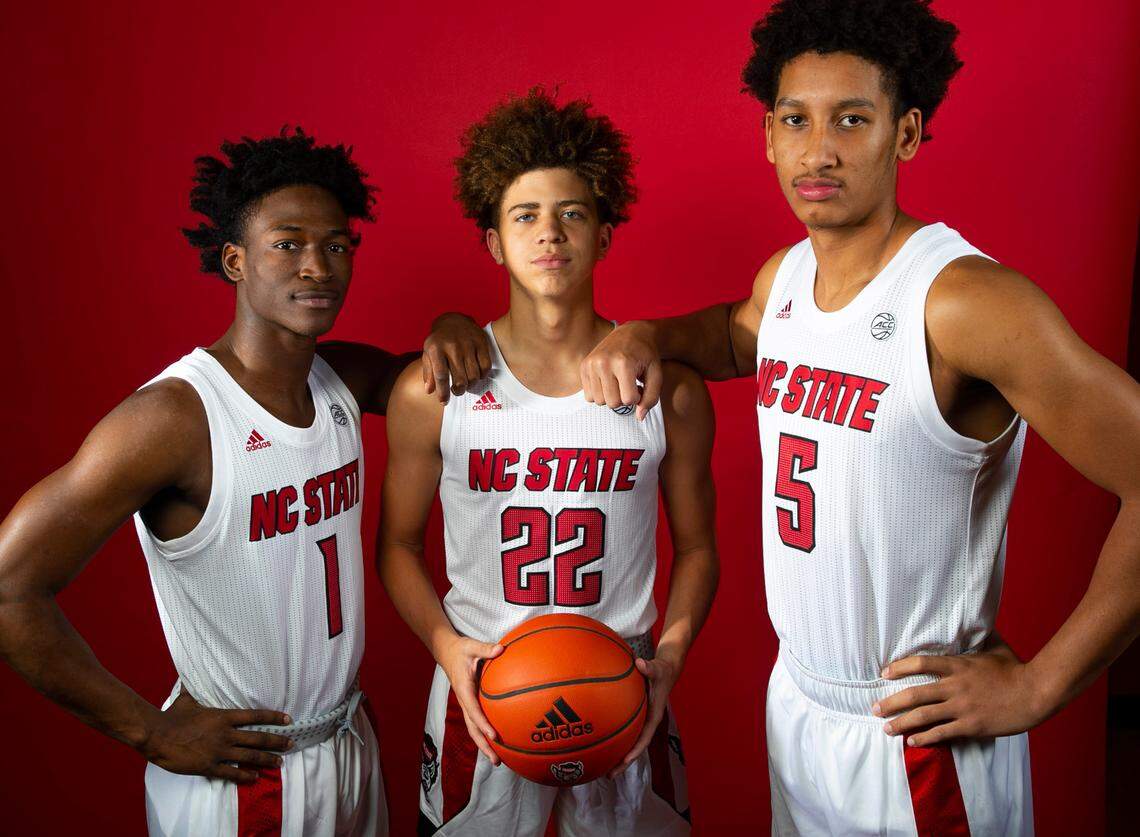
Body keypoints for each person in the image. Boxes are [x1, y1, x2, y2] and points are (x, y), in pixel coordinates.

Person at [577, 1, 1140, 833]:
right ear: (769, 134)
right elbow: (738, 333)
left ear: (905, 134)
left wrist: (1039, 684)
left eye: (852, 119)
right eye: (797, 120)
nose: (820, 149)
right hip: (799, 701)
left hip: (916, 732)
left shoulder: (963, 300)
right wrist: (644, 333)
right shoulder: (789, 279)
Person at [0, 127, 490, 836]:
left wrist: (450, 321)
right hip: (243, 779)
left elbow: (435, 375)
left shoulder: (340, 378)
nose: (317, 266)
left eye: (336, 245)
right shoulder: (173, 416)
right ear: (234, 260)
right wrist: (151, 731)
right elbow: (10, 585)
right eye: (287, 243)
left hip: (347, 743)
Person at [378, 89, 718, 836]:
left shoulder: (669, 390)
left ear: (603, 233)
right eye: (525, 216)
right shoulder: (436, 391)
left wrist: (670, 656)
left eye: (572, 213)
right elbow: (396, 547)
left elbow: (697, 549)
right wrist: (446, 649)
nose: (549, 234)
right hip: (484, 690)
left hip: (625, 685)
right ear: (495, 243)